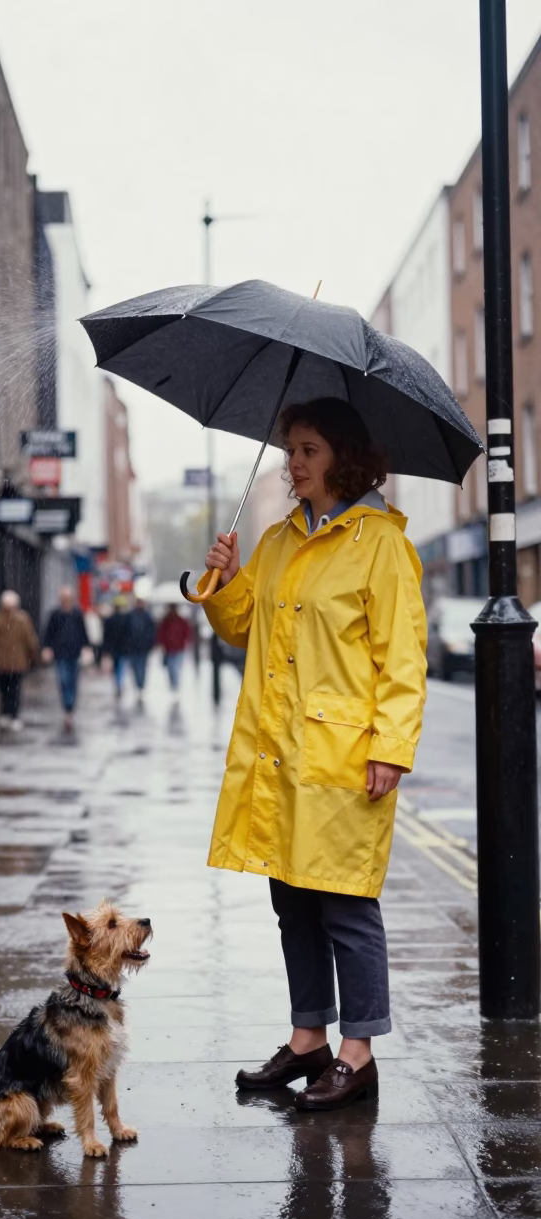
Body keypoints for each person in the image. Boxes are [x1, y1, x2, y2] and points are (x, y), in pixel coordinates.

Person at [201, 398, 427, 1110]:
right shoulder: (277, 539)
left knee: (347, 906)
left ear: (342, 458)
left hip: (345, 758)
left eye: (307, 451)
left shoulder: (380, 543)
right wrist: (223, 580)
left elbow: (403, 659)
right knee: (292, 901)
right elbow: (241, 626)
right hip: (278, 754)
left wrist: (391, 747)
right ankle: (309, 1041)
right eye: (289, 449)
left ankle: (357, 1055)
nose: (292, 463)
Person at [0, 590, 40, 732]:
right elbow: (30, 641)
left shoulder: (0, 619)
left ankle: (8, 714)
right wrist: (34, 656)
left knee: (7, 689)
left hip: (6, 663)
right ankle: (11, 715)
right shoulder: (18, 619)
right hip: (13, 663)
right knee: (12, 690)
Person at [41, 587, 90, 732]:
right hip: (60, 653)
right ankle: (67, 705)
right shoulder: (55, 615)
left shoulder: (77, 614)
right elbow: (48, 633)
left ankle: (70, 708)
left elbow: (83, 633)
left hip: (74, 653)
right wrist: (47, 648)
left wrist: (86, 647)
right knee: (63, 679)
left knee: (73, 680)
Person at [156, 604, 193, 692]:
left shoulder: (181, 621)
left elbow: (187, 632)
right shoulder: (165, 620)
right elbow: (161, 633)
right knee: (171, 668)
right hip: (169, 649)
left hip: (179, 648)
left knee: (175, 668)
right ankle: (174, 685)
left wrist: (185, 641)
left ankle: (175, 686)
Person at [125, 598, 156, 698]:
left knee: (142, 667)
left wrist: (150, 643)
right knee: (134, 667)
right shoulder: (131, 615)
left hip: (143, 647)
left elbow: (152, 631)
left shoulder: (147, 616)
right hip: (133, 647)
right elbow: (126, 630)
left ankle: (141, 686)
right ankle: (138, 685)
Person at [102, 599, 130, 699]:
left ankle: (118, 683)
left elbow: (106, 636)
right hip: (121, 648)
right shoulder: (126, 619)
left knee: (117, 667)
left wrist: (106, 649)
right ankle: (119, 683)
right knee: (120, 667)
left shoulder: (110, 620)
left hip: (114, 648)